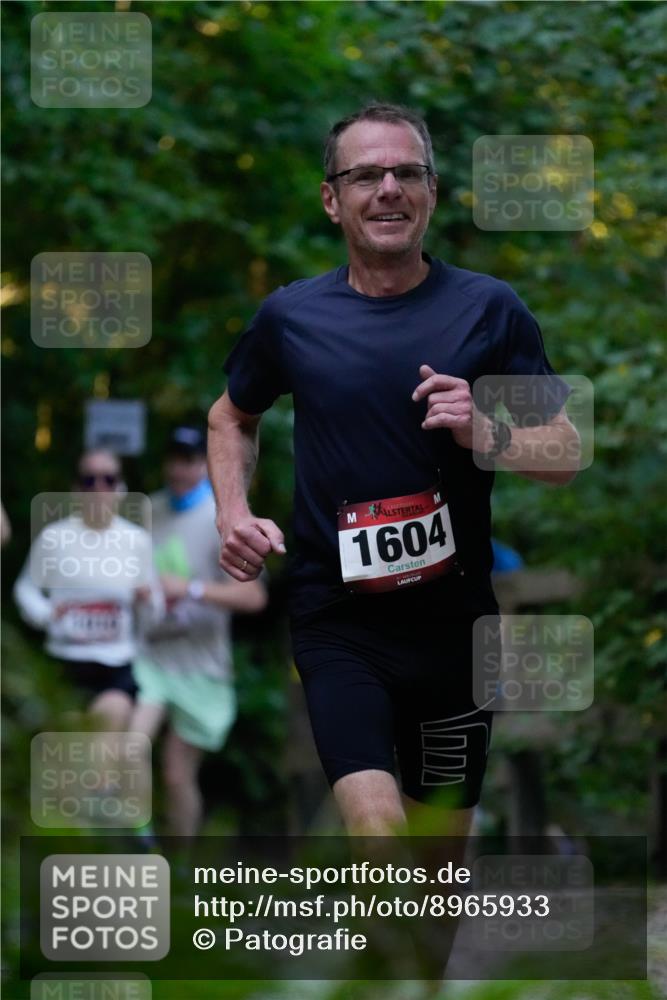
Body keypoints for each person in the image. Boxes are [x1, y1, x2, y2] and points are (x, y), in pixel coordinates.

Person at [208, 102, 580, 839]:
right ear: (331, 199)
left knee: (435, 867)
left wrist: (485, 430)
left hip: (454, 631)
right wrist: (232, 512)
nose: (388, 189)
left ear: (432, 192)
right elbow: (231, 417)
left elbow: (564, 453)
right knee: (378, 835)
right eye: (365, 175)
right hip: (338, 622)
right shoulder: (291, 318)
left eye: (407, 173)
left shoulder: (489, 309)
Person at [130, 426, 267, 838]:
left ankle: (182, 867)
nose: (179, 469)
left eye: (189, 460)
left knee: (176, 775)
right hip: (152, 656)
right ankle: (139, 841)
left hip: (203, 666)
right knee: (130, 747)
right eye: (173, 459)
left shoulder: (222, 517)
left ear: (205, 466)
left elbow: (254, 597)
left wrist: (189, 589)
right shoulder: (148, 510)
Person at [14, 448, 163, 730]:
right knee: (72, 749)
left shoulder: (137, 541)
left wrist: (147, 600)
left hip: (116, 664)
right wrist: (45, 613)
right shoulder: (53, 538)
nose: (99, 488)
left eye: (108, 479)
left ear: (121, 488)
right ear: (76, 489)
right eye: (89, 480)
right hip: (65, 663)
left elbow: (156, 609)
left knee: (103, 740)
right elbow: (25, 589)